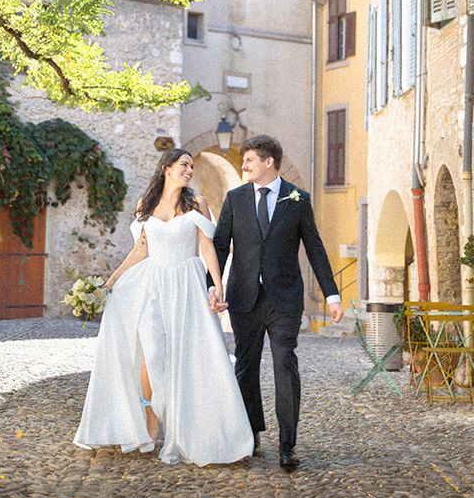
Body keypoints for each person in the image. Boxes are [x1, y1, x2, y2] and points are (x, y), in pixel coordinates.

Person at [74, 148, 253, 466]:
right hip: (152, 286)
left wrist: (217, 286)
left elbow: (207, 248)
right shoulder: (145, 204)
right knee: (154, 353)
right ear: (166, 168)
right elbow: (140, 250)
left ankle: (186, 430)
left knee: (187, 356)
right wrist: (111, 281)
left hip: (187, 286)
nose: (189, 170)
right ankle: (152, 418)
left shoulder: (197, 204)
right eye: (184, 165)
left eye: (191, 166)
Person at [211, 134, 342, 472]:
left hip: (284, 300)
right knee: (246, 366)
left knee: (285, 364)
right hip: (244, 298)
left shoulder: (298, 199)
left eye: (249, 160)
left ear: (269, 162)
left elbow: (314, 248)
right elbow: (220, 246)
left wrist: (332, 294)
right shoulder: (235, 199)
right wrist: (211, 286)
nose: (244, 165)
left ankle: (287, 445)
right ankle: (250, 435)